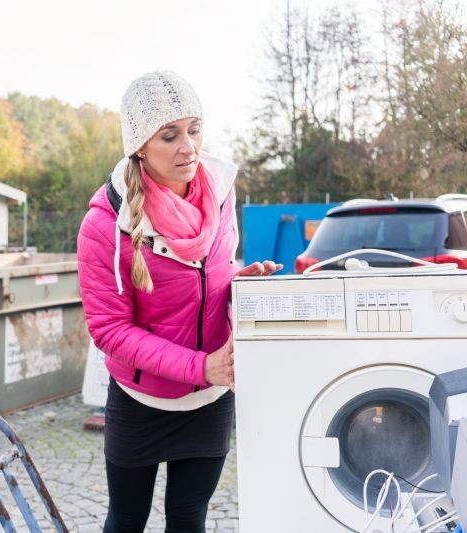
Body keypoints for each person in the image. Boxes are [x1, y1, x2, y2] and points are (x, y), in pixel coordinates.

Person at [77, 71, 280, 532]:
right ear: (140, 147)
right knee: (126, 520)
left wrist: (237, 282)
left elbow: (210, 276)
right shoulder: (104, 225)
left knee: (189, 518)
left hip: (210, 399)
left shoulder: (220, 192)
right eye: (170, 135)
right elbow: (109, 331)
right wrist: (199, 366)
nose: (188, 146)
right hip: (140, 399)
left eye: (195, 129)